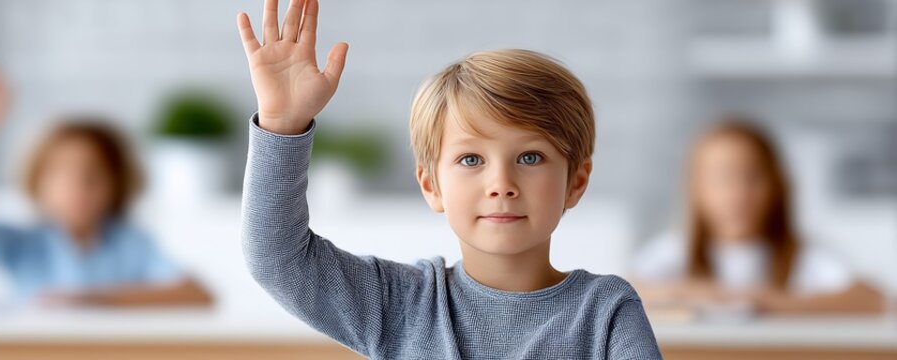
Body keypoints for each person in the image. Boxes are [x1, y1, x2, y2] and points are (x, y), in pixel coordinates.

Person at [235, 0, 662, 358]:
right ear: (431, 185)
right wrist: (281, 125)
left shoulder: (607, 313)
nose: (501, 184)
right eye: (471, 159)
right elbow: (277, 258)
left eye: (530, 157)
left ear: (576, 182)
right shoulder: (399, 304)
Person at [0, 67, 212, 307]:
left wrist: (93, 300)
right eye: (61, 173)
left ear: (116, 183)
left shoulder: (132, 245)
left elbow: (198, 294)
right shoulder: (25, 246)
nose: (77, 187)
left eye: (92, 175)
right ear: (38, 181)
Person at [632, 117, 885, 314]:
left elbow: (872, 298)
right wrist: (708, 296)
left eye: (753, 178)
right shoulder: (677, 249)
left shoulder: (804, 256)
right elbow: (627, 291)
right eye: (722, 179)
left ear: (776, 186)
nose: (739, 193)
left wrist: (765, 302)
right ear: (696, 190)